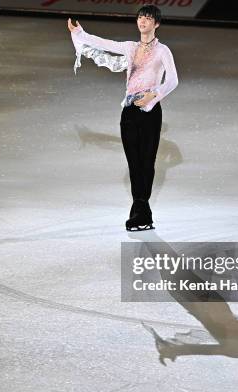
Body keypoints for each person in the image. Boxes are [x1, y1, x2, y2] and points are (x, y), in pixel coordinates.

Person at [67, 5, 178, 231]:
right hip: (128, 111)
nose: (143, 21)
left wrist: (153, 96)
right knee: (134, 163)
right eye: (140, 17)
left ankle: (140, 210)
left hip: (150, 112)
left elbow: (173, 80)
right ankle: (141, 211)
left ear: (156, 23)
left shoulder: (162, 51)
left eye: (148, 18)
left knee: (147, 162)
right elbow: (103, 43)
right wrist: (80, 33)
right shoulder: (130, 47)